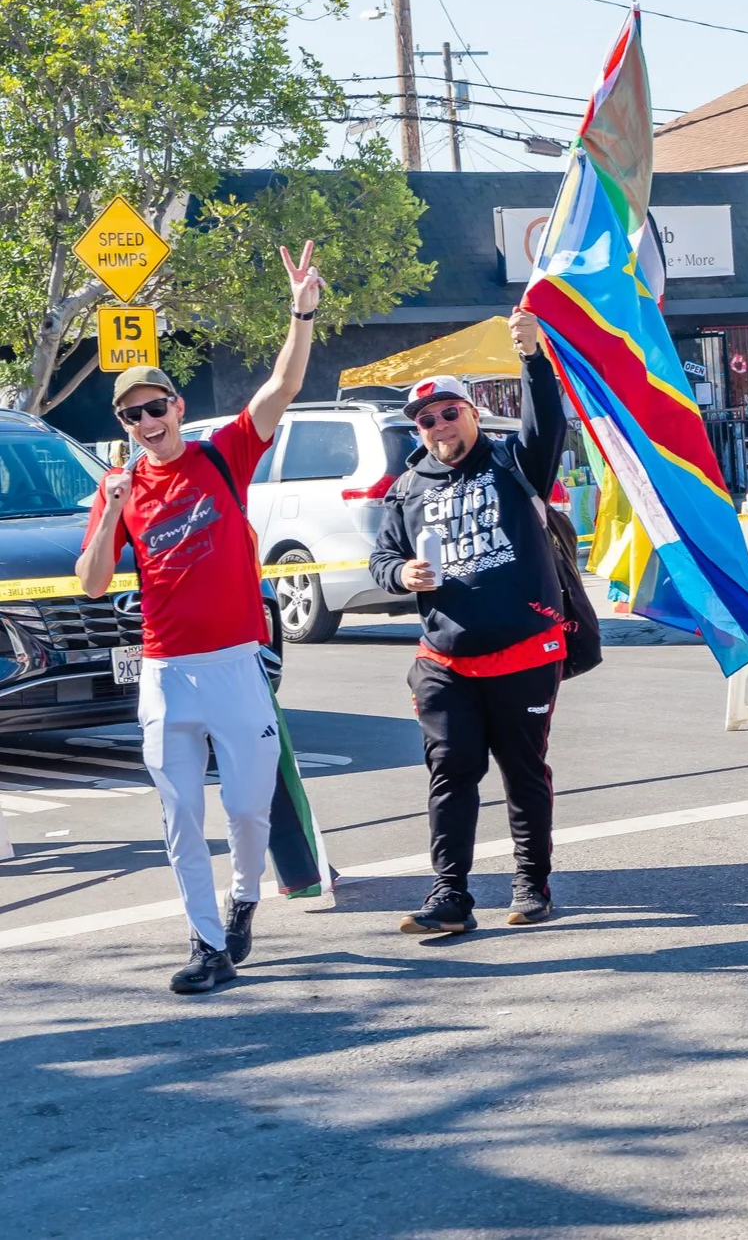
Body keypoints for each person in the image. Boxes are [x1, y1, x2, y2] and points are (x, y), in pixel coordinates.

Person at [77, 241, 325, 994]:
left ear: (177, 406)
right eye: (131, 414)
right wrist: (111, 512)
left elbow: (282, 384)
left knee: (247, 808)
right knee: (181, 815)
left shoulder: (222, 455)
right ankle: (207, 944)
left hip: (233, 664)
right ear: (123, 423)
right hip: (165, 672)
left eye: (155, 406)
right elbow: (91, 585)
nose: (146, 420)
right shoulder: (120, 488)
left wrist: (302, 310)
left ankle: (244, 898)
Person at [369, 309, 571, 936]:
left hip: (524, 650)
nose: (436, 426)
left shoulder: (514, 463)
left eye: (447, 412)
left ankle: (530, 884)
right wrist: (401, 576)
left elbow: (549, 423)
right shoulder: (406, 487)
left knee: (522, 770)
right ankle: (450, 894)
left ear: (472, 412)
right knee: (450, 772)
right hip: (445, 660)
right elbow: (381, 559)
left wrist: (532, 357)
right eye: (424, 420)